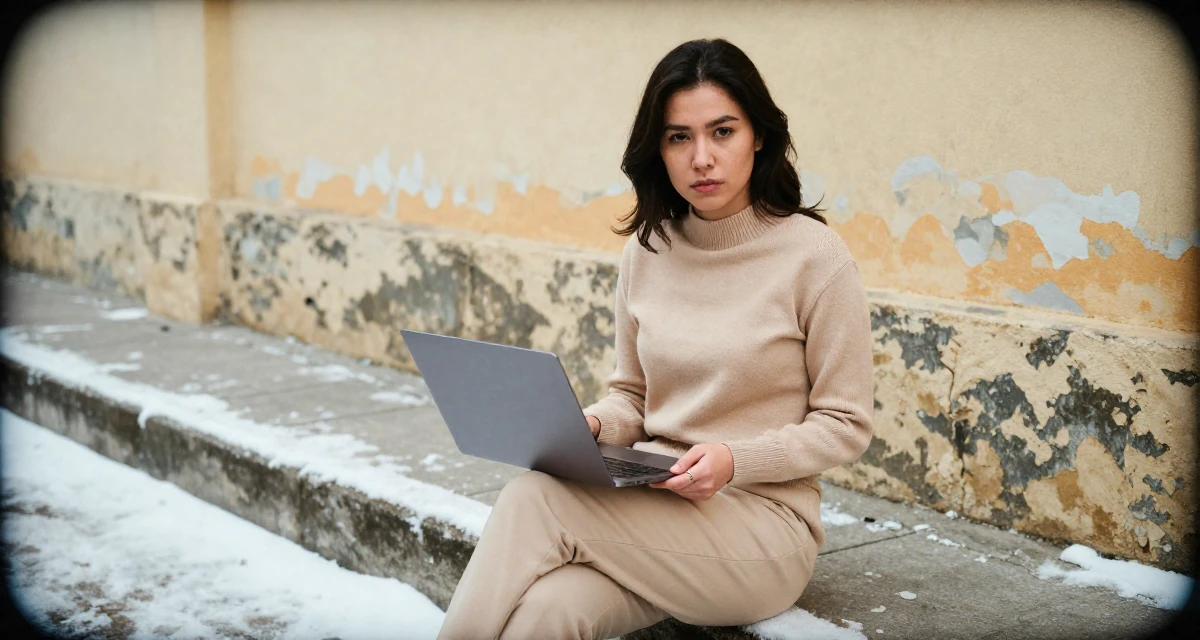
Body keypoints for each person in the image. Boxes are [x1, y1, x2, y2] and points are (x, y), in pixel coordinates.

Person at [436, 38, 875, 639]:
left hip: (762, 527)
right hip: (656, 503)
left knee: (535, 500)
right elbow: (632, 397)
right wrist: (592, 426)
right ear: (659, 150)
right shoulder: (648, 252)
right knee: (550, 612)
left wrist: (734, 458)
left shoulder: (815, 257)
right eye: (679, 137)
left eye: (722, 132)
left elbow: (845, 423)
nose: (702, 158)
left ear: (760, 137)